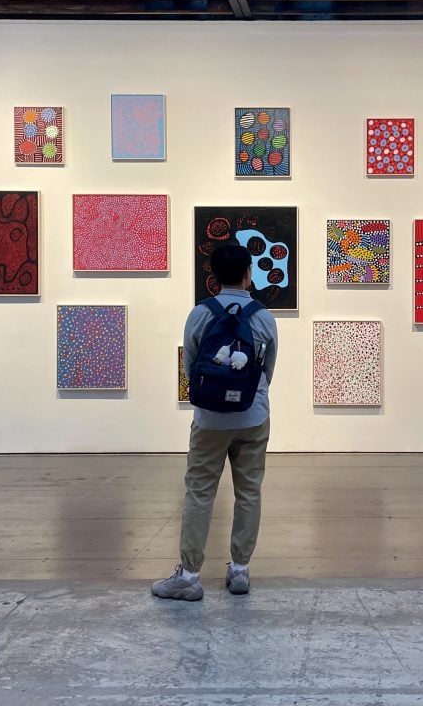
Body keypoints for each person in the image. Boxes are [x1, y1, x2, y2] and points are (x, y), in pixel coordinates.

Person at [152, 244, 278, 601]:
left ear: (214, 277)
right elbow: (268, 370)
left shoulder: (200, 314)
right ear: (248, 273)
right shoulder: (264, 317)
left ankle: (190, 575)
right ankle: (239, 571)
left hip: (209, 420)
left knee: (200, 491)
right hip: (253, 417)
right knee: (249, 491)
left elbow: (191, 366)